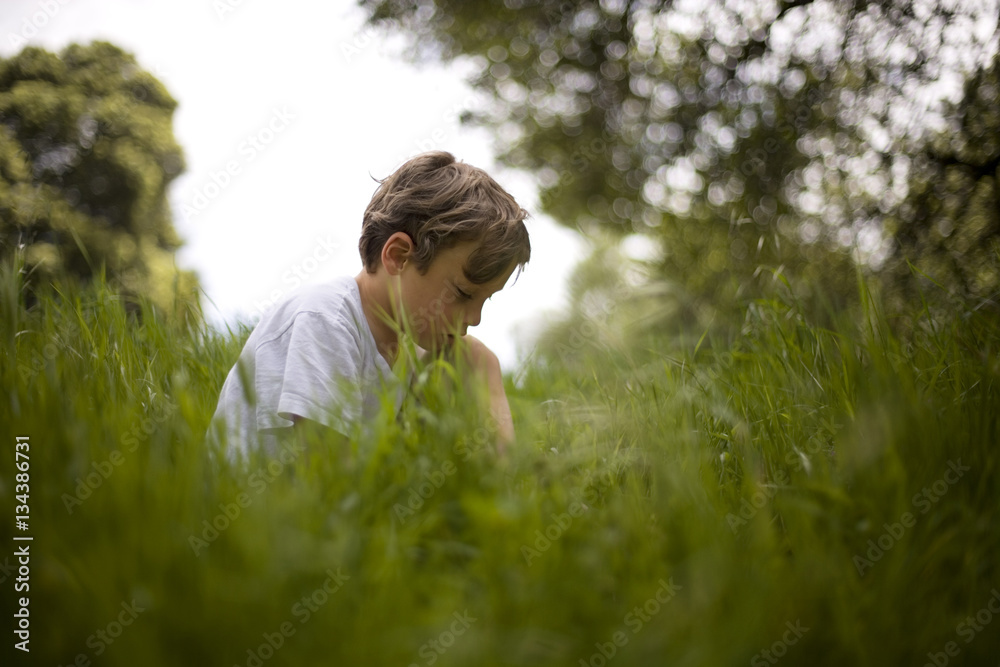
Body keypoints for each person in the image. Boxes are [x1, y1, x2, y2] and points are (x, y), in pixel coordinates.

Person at [206, 151, 530, 459]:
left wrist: (486, 367)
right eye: (462, 293)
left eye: (486, 299)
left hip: (324, 496)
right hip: (255, 497)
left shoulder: (402, 347)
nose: (475, 318)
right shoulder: (326, 320)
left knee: (476, 357)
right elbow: (324, 474)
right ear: (399, 256)